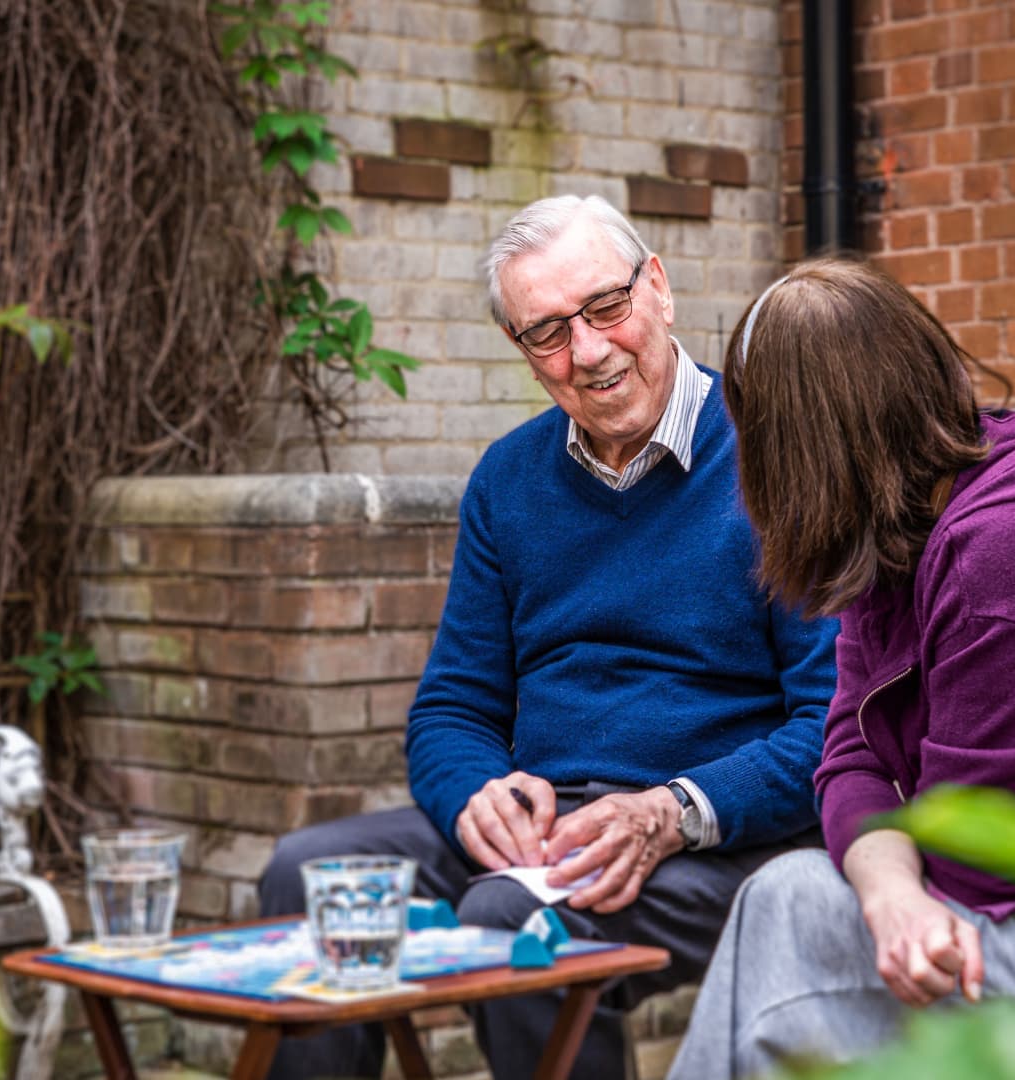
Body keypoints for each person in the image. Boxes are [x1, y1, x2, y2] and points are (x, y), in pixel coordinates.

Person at [258, 195, 839, 1080]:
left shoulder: (777, 457)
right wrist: (471, 796)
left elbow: (832, 723)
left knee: (512, 924)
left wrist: (671, 812)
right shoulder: (508, 479)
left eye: (607, 308)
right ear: (523, 353)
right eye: (549, 332)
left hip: (717, 836)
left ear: (659, 288)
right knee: (310, 876)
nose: (591, 352)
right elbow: (454, 706)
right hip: (544, 832)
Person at [668, 257, 1015, 1080]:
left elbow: (982, 856)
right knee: (799, 900)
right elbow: (850, 757)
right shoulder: (912, 519)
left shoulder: (1011, 554)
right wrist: (890, 891)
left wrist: (895, 886)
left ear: (793, 453)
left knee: (794, 909)